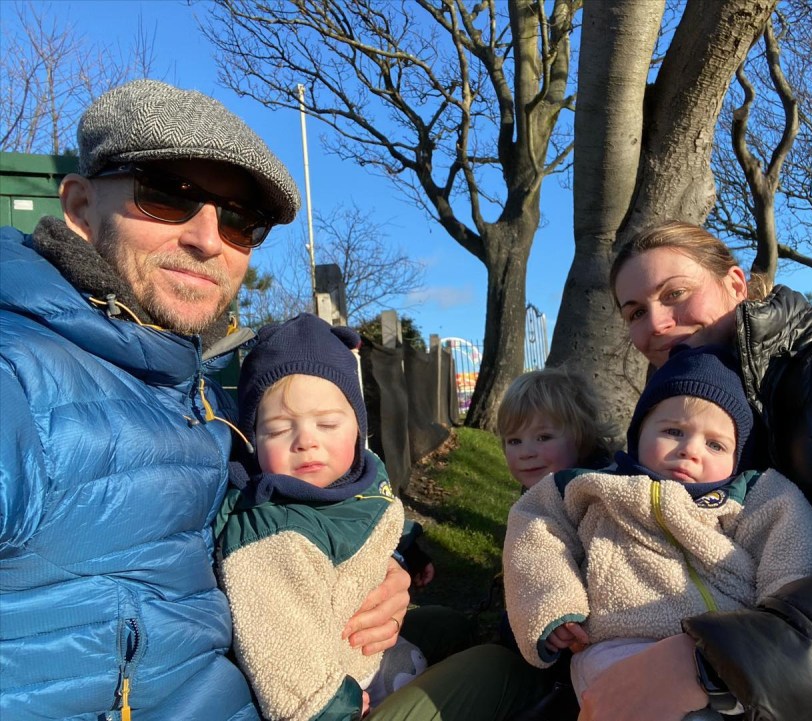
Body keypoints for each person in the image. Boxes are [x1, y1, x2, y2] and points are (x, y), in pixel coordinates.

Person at [0, 79, 409, 720]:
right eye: (166, 196)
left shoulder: (195, 387)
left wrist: (372, 576)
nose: (209, 239)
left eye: (241, 220)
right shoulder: (22, 373)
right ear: (79, 207)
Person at [577, 220, 812, 721]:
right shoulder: (691, 393)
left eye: (675, 294)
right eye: (635, 313)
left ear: (736, 284)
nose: (656, 325)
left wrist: (716, 665)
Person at [503, 344, 812, 721]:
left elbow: (799, 554)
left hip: (728, 649)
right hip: (621, 642)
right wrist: (553, 604)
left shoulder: (756, 496)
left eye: (715, 444)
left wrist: (779, 636)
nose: (690, 450)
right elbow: (535, 535)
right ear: (640, 431)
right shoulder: (593, 487)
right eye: (673, 431)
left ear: (738, 455)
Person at [216, 313, 427, 721]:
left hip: (363, 651)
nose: (306, 441)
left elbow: (373, 515)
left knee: (447, 634)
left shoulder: (360, 476)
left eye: (328, 423)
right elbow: (276, 640)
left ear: (357, 429)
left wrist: (407, 548)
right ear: (253, 441)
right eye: (279, 430)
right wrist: (322, 705)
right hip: (328, 685)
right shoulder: (273, 532)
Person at [498, 366, 618, 490]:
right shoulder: (539, 494)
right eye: (514, 441)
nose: (526, 453)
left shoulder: (599, 494)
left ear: (582, 437)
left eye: (543, 438)